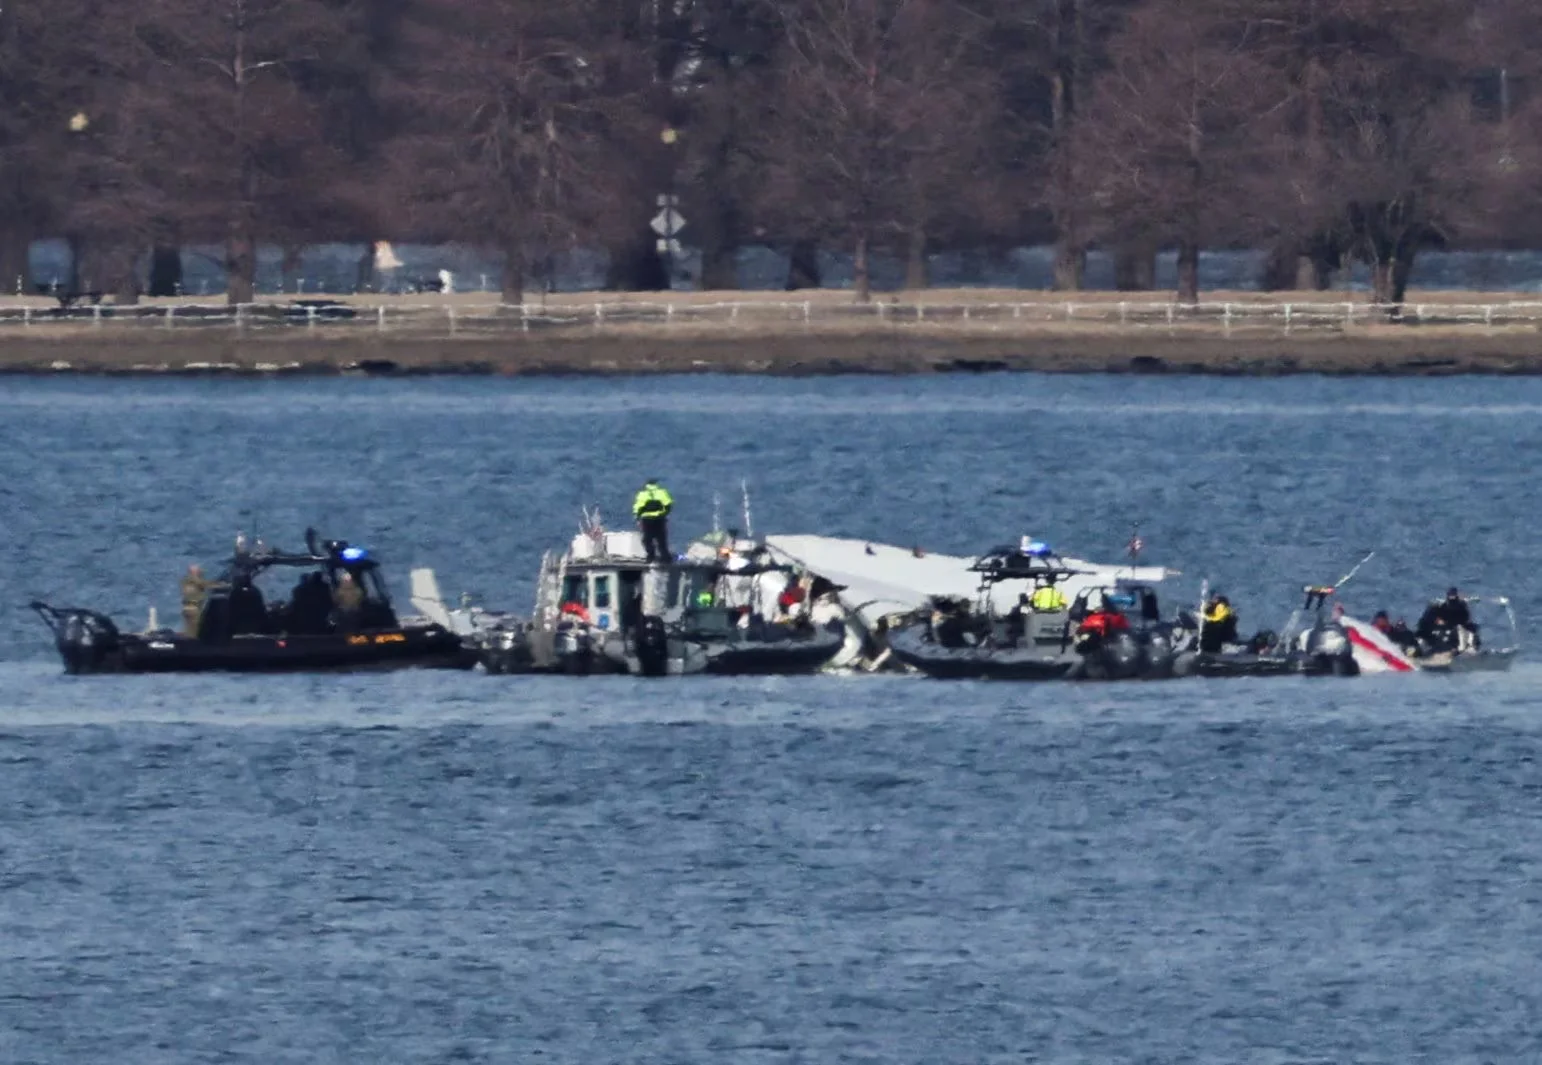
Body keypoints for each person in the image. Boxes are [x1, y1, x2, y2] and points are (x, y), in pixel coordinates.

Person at [633, 478, 674, 563]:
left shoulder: (642, 494)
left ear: (647, 485)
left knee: (647, 539)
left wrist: (637, 517)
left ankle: (651, 556)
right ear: (656, 485)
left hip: (647, 520)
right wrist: (664, 513)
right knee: (661, 539)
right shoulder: (662, 492)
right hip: (659, 519)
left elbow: (637, 508)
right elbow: (668, 504)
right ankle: (665, 557)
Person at [180, 564, 212, 635]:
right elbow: (208, 584)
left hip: (187, 608)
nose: (200, 573)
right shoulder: (196, 581)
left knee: (189, 629)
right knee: (195, 631)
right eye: (198, 572)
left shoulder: (185, 581)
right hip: (194, 609)